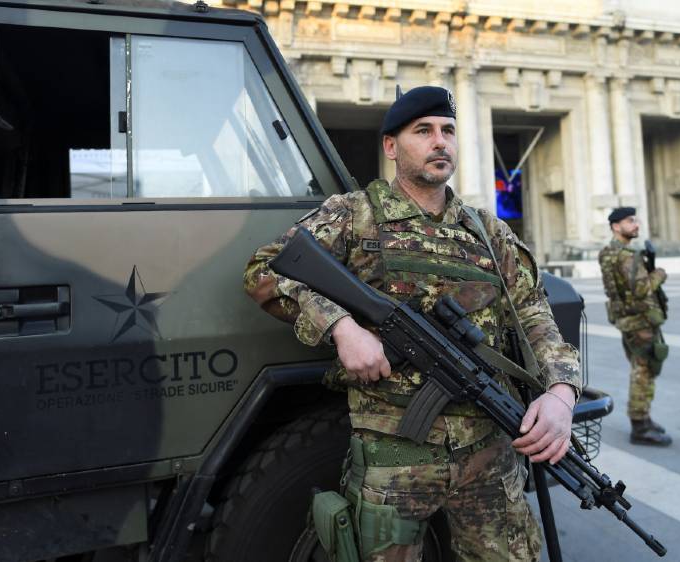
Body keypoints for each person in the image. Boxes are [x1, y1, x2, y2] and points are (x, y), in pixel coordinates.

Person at [243, 85, 581, 561]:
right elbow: (265, 270)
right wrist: (342, 327)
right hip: (393, 458)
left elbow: (534, 314)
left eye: (447, 131)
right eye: (423, 131)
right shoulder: (354, 215)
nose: (439, 141)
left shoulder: (487, 230)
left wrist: (560, 394)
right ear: (391, 146)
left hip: (490, 451)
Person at [598, 207, 672, 446]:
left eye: (636, 220)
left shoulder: (608, 252)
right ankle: (640, 426)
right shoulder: (627, 256)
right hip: (640, 321)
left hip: (627, 319)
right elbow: (641, 289)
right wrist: (659, 273)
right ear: (616, 226)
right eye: (630, 221)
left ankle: (645, 419)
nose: (636, 224)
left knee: (641, 368)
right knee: (643, 371)